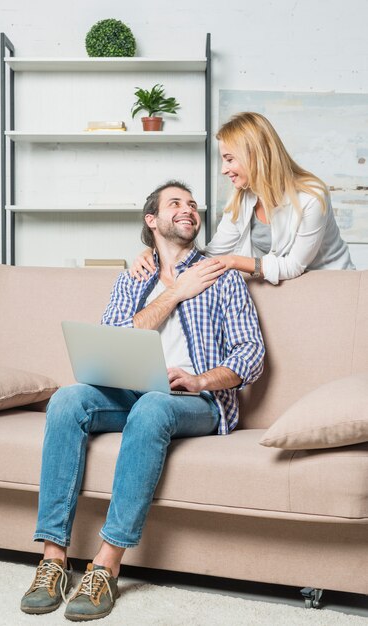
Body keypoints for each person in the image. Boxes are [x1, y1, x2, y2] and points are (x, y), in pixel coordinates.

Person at [20, 180, 265, 621]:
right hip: (130, 389)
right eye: (176, 204)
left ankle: (105, 566)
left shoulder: (222, 276)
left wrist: (200, 379)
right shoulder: (132, 277)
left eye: (192, 205)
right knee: (68, 399)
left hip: (195, 401)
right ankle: (53, 559)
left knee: (153, 407)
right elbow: (114, 338)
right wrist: (174, 291)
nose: (188, 210)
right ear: (152, 220)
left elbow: (251, 353)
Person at [130, 112, 354, 285]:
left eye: (229, 159)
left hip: (333, 285)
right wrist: (153, 253)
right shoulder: (241, 199)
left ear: (255, 155)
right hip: (287, 289)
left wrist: (234, 261)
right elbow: (213, 254)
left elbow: (293, 266)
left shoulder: (311, 197)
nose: (224, 170)